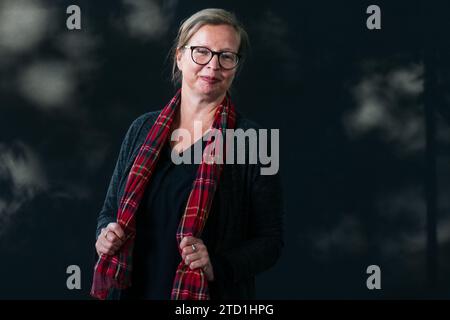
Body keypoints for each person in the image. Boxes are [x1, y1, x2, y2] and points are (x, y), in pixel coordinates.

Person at [90, 8, 284, 300]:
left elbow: (271, 242)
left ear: (235, 66)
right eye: (201, 52)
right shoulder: (141, 129)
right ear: (179, 56)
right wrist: (104, 235)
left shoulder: (255, 141)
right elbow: (109, 212)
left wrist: (217, 266)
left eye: (226, 56)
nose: (213, 65)